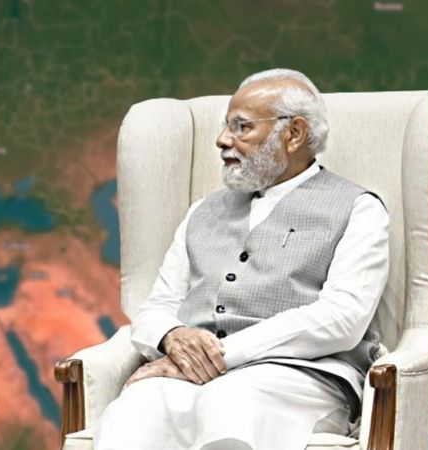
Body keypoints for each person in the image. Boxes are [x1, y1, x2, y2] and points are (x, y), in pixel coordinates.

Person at [94, 69, 389, 450]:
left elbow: (342, 318)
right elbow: (158, 305)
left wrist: (216, 356)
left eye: (241, 127)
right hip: (192, 377)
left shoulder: (359, 208)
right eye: (225, 126)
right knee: (133, 410)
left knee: (231, 404)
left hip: (300, 377)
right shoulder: (203, 211)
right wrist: (172, 336)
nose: (222, 140)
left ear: (294, 133)